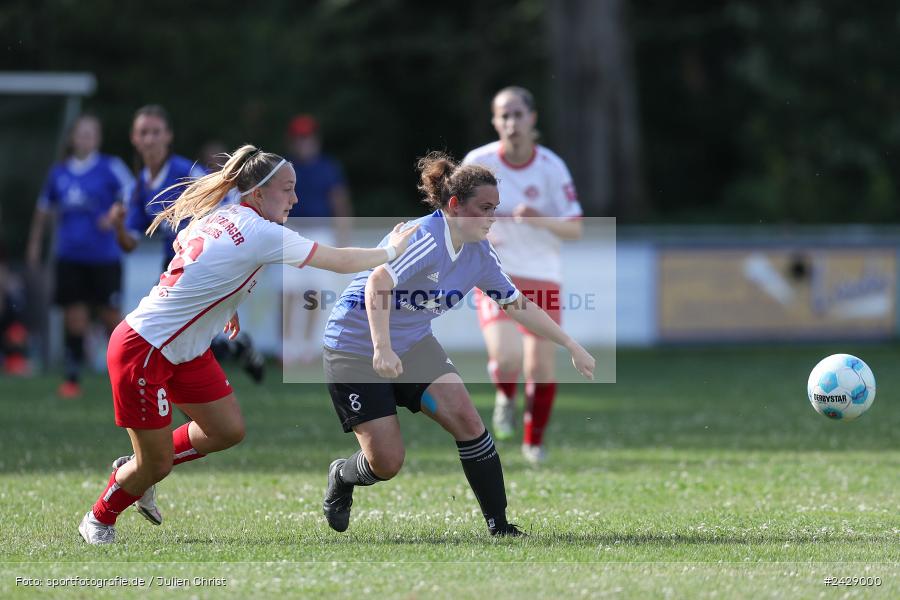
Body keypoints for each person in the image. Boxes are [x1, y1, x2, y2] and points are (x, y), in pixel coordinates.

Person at [78, 144, 420, 544]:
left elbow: (183, 243)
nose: (295, 199)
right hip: (144, 349)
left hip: (185, 350)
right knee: (158, 463)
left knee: (227, 430)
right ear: (257, 194)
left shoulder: (222, 215)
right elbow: (339, 260)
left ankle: (141, 466)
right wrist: (392, 250)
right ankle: (99, 518)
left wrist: (225, 302)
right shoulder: (261, 232)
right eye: (287, 190)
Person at [320, 152, 594, 537]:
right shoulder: (424, 236)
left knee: (468, 419)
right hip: (355, 346)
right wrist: (382, 347)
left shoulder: (480, 252)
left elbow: (516, 304)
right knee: (387, 462)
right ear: (454, 205)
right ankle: (342, 475)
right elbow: (377, 283)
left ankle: (500, 528)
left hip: (413, 345)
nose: (492, 218)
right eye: (484, 208)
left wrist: (569, 344)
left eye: (495, 209)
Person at [463, 86, 584, 464]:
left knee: (541, 368)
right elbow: (452, 216)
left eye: (518, 114)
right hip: (495, 272)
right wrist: (479, 231)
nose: (512, 122)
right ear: (495, 121)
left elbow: (575, 228)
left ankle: (534, 443)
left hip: (543, 274)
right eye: (504, 115)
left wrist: (539, 219)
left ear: (532, 118)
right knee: (508, 356)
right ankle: (505, 394)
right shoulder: (479, 163)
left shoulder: (551, 167)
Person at [109, 107, 265, 383]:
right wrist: (118, 225)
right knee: (180, 338)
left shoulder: (186, 172)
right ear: (134, 138)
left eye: (156, 132)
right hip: (173, 266)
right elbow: (129, 244)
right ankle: (236, 349)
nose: (149, 139)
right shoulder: (138, 187)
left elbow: (226, 206)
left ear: (168, 136)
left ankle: (190, 390)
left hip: (204, 262)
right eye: (143, 133)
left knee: (174, 335)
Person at [26, 114, 135, 397]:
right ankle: (72, 379)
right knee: (74, 316)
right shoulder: (59, 173)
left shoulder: (111, 167)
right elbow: (44, 208)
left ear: (98, 138)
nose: (86, 138)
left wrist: (113, 216)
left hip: (105, 257)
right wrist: (35, 243)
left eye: (91, 133)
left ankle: (130, 374)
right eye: (81, 133)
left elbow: (133, 193)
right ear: (73, 138)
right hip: (70, 255)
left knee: (111, 317)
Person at [282, 115, 353, 366]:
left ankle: (306, 346)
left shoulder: (328, 167)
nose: (304, 143)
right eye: (299, 138)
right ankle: (287, 347)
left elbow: (339, 201)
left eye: (307, 138)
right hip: (291, 233)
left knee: (315, 293)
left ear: (315, 139)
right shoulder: (284, 168)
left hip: (320, 234)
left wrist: (342, 237)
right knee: (288, 292)